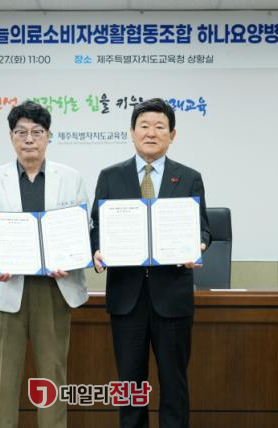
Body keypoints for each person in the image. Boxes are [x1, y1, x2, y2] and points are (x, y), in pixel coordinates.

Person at [90, 98, 211, 428]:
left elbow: (202, 228)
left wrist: (199, 244)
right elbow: (96, 227)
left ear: (173, 134)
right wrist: (97, 249)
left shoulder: (189, 177)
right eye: (144, 126)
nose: (151, 133)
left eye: (160, 127)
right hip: (126, 297)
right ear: (131, 132)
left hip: (171, 296)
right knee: (130, 386)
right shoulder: (110, 177)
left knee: (174, 384)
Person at [0, 100, 89, 428]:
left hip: (54, 288)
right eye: (21, 132)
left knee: (52, 375)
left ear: (48, 136)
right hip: (10, 286)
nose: (29, 140)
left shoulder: (71, 178)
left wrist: (71, 257)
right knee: (4, 377)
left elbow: (82, 227)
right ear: (11, 137)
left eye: (37, 132)